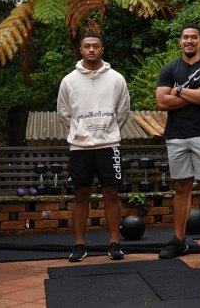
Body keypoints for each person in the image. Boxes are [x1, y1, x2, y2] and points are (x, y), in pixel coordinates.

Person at [155, 23, 200, 260]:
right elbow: (162, 103)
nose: (189, 41)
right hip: (176, 135)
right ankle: (178, 240)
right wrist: (194, 94)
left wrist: (178, 92)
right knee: (181, 188)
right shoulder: (169, 69)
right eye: (185, 37)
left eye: (194, 37)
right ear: (180, 41)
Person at [57, 32, 130, 262]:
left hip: (109, 145)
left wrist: (107, 131)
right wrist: (80, 132)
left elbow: (123, 111)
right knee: (81, 194)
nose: (91, 50)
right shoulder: (69, 81)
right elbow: (64, 113)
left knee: (111, 193)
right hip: (80, 147)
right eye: (87, 46)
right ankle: (79, 245)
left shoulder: (116, 79)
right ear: (80, 50)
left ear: (102, 49)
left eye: (95, 46)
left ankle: (114, 244)